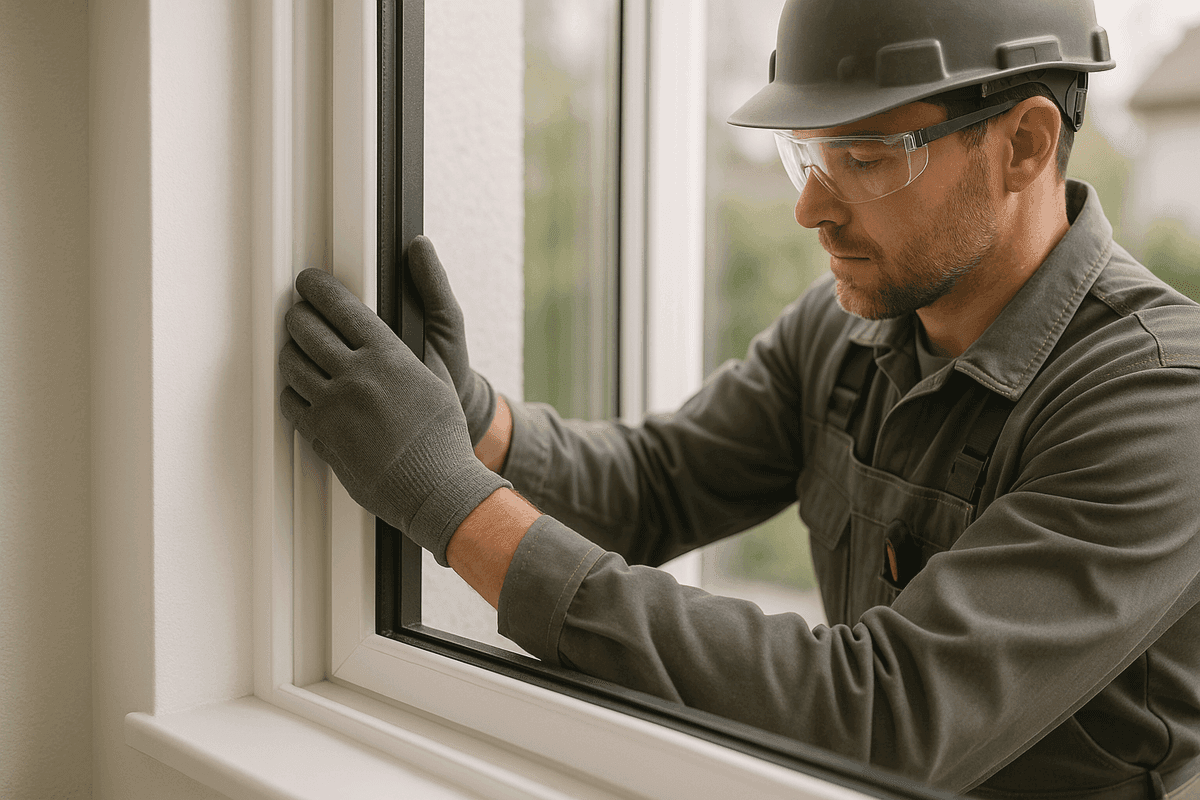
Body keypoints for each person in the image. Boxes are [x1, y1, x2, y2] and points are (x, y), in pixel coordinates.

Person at [277, 0, 1200, 795]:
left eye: (868, 158)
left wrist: (447, 500)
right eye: (811, 155)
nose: (811, 208)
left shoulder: (1158, 402)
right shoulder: (844, 333)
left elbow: (877, 720)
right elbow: (657, 486)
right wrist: (476, 424)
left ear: (1025, 145)